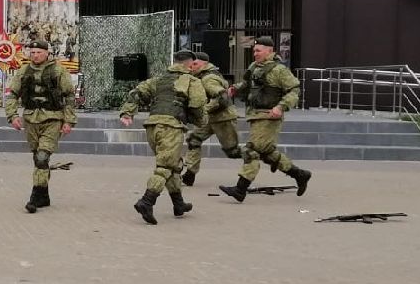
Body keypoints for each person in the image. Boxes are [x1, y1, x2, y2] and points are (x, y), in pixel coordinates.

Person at [119, 49, 208, 224]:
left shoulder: (159, 80)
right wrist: (200, 122)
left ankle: (179, 204)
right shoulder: (191, 80)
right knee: (165, 167)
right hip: (171, 127)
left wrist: (127, 113)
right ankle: (147, 201)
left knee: (173, 166)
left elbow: (136, 93)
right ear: (190, 64)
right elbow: (197, 104)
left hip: (152, 127)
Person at [219, 36, 311, 202]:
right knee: (268, 154)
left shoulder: (279, 70)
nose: (255, 54)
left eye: (258, 50)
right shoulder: (254, 67)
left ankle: (240, 189)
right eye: (254, 51)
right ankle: (300, 174)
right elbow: (247, 84)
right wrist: (234, 89)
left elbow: (294, 90)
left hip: (270, 116)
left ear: (269, 51)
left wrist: (280, 107)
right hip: (255, 114)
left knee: (251, 150)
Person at [2, 39, 76, 213]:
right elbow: (12, 94)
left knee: (42, 157)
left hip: (52, 119)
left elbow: (69, 96)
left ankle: (34, 197)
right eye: (32, 52)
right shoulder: (23, 71)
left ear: (46, 53)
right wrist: (12, 116)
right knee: (38, 159)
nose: (35, 55)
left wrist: (68, 121)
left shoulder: (58, 70)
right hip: (30, 120)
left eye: (39, 52)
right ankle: (44, 195)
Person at [182, 48, 242, 187]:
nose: (192, 67)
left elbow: (222, 97)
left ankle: (258, 155)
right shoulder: (203, 76)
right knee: (194, 139)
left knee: (233, 151)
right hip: (211, 118)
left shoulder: (208, 78)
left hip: (223, 118)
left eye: (195, 64)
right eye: (191, 65)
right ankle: (190, 174)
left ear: (204, 64)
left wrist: (204, 109)